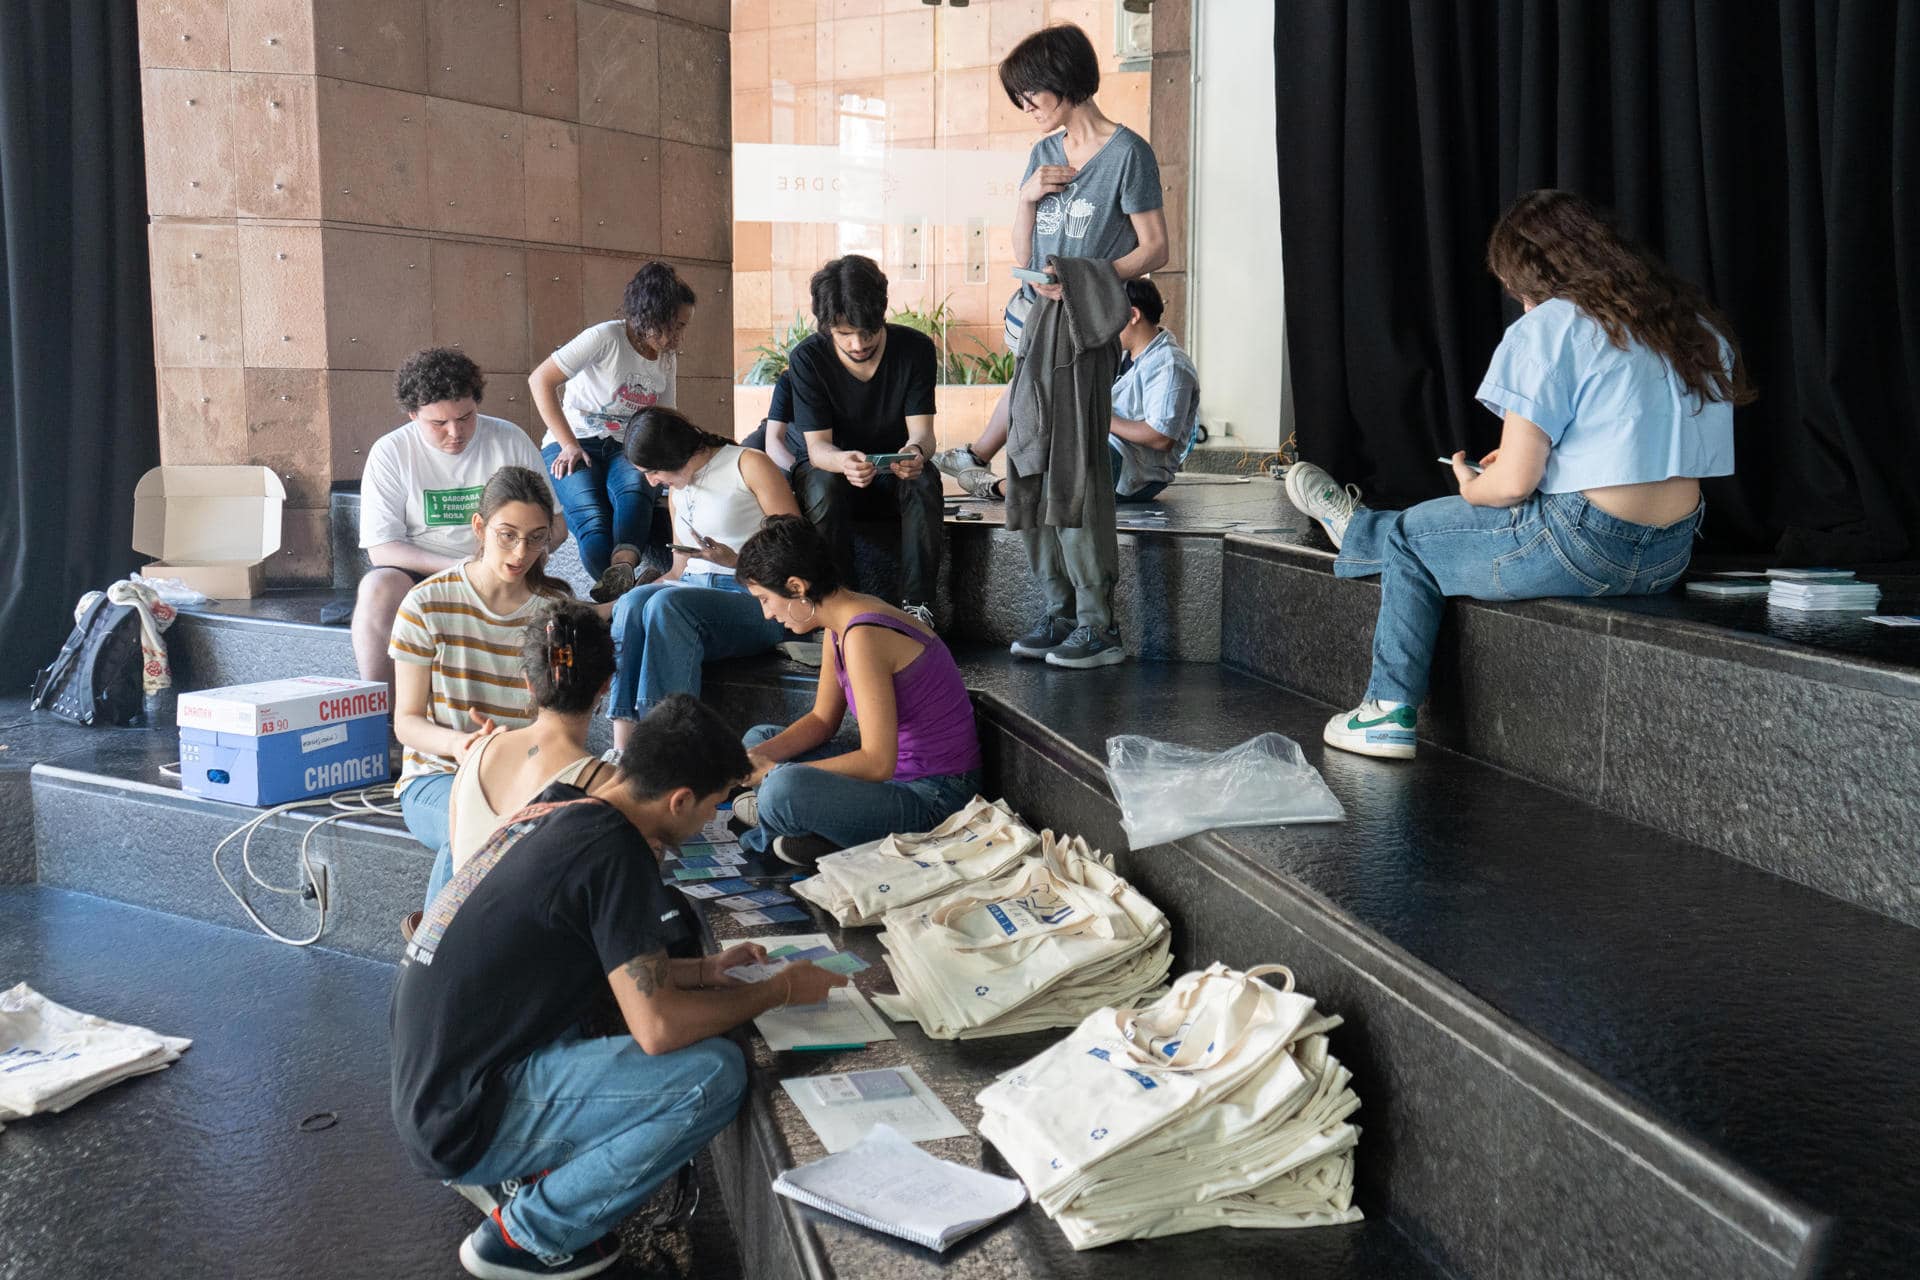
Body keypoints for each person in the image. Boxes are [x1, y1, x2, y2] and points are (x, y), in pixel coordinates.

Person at [1285, 189, 1754, 761]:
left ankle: (1384, 710)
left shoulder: (1551, 326)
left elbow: (1511, 488)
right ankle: (1358, 528)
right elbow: (1636, 445)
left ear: (1528, 271)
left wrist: (1470, 482)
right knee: (1446, 518)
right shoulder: (1690, 324)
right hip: (1667, 555)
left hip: (1581, 544)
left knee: (1412, 537)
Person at [391, 694, 847, 1280]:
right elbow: (658, 1031)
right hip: (465, 1115)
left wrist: (704, 972)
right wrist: (778, 990)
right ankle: (525, 1235)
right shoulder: (616, 853)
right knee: (713, 1075)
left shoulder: (564, 807)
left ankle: (526, 1166)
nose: (710, 820)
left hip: (439, 1080)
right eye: (710, 806)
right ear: (679, 799)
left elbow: (596, 966)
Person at [932, 22, 1169, 499]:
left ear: (1063, 78)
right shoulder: (1043, 153)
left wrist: (1084, 278)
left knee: (1068, 436)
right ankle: (1007, 493)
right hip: (1033, 315)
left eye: (1029, 93)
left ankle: (1005, 492)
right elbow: (1025, 253)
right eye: (1018, 97)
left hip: (1088, 322)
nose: (1025, 106)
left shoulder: (1128, 154)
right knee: (1032, 429)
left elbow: (1156, 249)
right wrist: (1026, 196)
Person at [730, 515, 982, 868]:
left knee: (782, 789)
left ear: (797, 587)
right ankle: (817, 835)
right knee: (759, 739)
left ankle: (806, 828)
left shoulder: (863, 635)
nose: (767, 614)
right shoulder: (842, 622)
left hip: (934, 796)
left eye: (765, 600)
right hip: (897, 780)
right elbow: (821, 720)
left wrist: (775, 774)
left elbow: (878, 762)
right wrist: (753, 758)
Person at [390, 466, 573, 906]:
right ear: (479, 527)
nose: (521, 551)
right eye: (507, 535)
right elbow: (407, 722)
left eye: (536, 537)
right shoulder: (426, 603)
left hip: (525, 775)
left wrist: (512, 751)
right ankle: (434, 959)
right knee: (473, 824)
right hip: (437, 776)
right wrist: (461, 745)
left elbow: (563, 714)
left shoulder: (556, 612)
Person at [354, 348, 562, 687]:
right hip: (423, 570)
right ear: (412, 415)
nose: (455, 432)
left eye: (465, 417)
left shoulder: (509, 439)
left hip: (504, 565)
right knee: (377, 586)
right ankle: (384, 719)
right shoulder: (390, 452)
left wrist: (513, 554)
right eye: (439, 423)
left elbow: (556, 526)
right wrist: (461, 567)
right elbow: (382, 549)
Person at [607, 407, 799, 750]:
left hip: (754, 597)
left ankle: (667, 751)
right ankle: (624, 750)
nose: (651, 482)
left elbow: (797, 547)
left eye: (652, 471)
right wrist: (612, 606)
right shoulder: (677, 491)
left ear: (671, 454)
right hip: (689, 594)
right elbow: (677, 573)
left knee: (668, 604)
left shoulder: (747, 464)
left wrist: (737, 561)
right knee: (634, 602)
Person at [785, 255, 943, 629]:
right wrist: (844, 463)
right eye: (843, 334)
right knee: (822, 483)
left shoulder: (915, 349)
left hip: (892, 473)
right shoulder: (808, 358)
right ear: (827, 328)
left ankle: (917, 609)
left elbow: (923, 433)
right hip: (832, 470)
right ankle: (839, 602)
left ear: (882, 314)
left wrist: (915, 453)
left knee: (923, 478)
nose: (858, 344)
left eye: (867, 332)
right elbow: (817, 449)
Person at [941, 279, 1199, 505]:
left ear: (1132, 315)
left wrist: (1100, 418)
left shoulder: (1169, 364)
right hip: (1108, 450)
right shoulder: (1123, 355)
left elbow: (1160, 437)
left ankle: (999, 488)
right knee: (1029, 386)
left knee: (1060, 471)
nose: (1100, 327)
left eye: (1105, 317)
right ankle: (996, 471)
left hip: (1134, 472)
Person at [528, 262, 696, 601]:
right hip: (573, 441)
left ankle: (622, 570)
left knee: (636, 487)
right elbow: (539, 380)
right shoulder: (605, 337)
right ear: (652, 313)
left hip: (627, 447)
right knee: (592, 517)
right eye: (674, 325)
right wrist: (568, 444)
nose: (679, 336)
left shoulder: (665, 357)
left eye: (683, 327)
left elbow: (664, 414)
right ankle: (627, 592)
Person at [445, 599, 617, 879]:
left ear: (528, 682)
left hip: (458, 920)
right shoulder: (606, 783)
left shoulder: (477, 752)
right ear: (606, 684)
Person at [737, 371, 802, 473]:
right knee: (744, 453)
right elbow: (773, 443)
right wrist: (801, 471)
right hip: (779, 431)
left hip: (806, 446)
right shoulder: (789, 379)